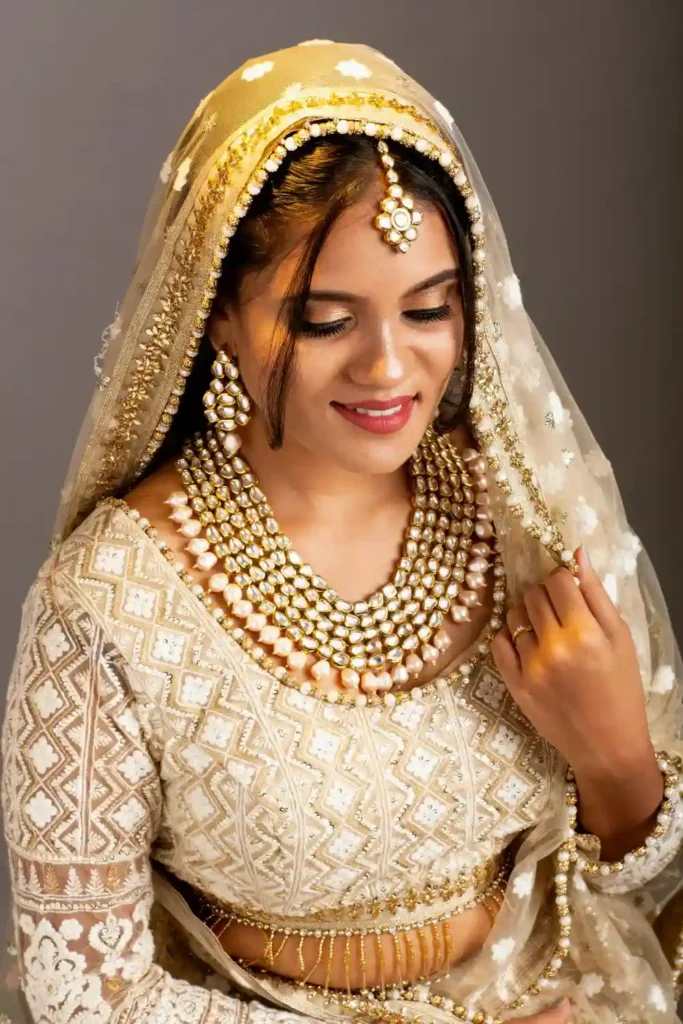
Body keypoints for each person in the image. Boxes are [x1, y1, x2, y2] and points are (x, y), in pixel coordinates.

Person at [1, 40, 682, 1024]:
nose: (389, 366)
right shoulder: (107, 607)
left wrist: (617, 763)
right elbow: (86, 992)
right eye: (326, 320)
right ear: (220, 314)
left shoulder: (526, 520)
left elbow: (640, 893)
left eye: (428, 310)